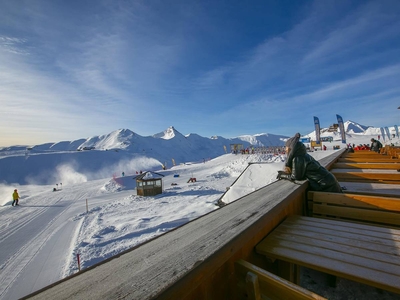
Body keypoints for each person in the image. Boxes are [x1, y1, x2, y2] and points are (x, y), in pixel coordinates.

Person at [277, 133, 342, 193]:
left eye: (286, 147)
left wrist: (282, 175)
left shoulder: (297, 158)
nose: (285, 149)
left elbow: (296, 177)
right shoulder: (303, 154)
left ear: (290, 148)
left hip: (325, 184)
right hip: (329, 181)